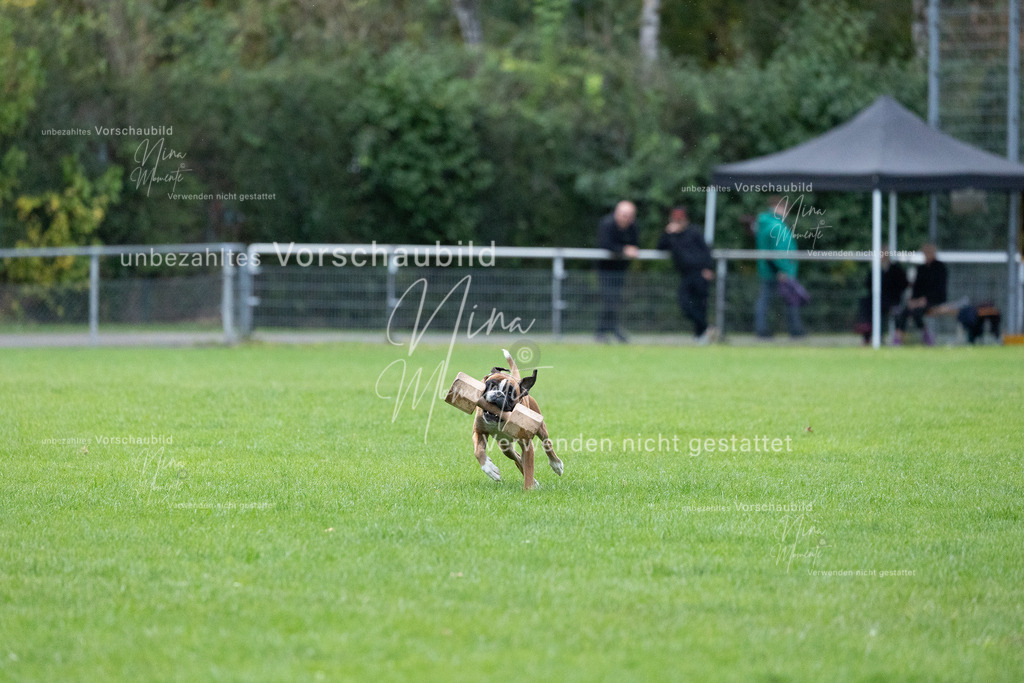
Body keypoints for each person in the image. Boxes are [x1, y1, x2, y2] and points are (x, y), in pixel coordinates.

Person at [657, 206, 716, 343]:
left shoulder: (694, 232)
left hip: (700, 274)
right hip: (685, 275)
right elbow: (660, 246)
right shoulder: (671, 235)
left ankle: (700, 336)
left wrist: (708, 268)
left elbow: (706, 251)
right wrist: (669, 233)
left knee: (700, 306)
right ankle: (706, 328)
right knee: (685, 305)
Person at [752, 196, 804, 338]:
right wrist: (783, 270)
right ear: (777, 208)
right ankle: (795, 330)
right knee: (789, 300)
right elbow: (779, 250)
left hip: (769, 269)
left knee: (765, 300)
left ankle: (763, 329)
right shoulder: (776, 226)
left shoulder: (765, 223)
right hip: (779, 271)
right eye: (784, 209)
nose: (786, 212)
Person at [595, 200, 639, 343]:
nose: (626, 219)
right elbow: (605, 244)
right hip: (605, 269)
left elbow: (635, 244)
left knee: (615, 300)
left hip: (620, 269)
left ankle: (607, 330)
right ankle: (606, 330)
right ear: (617, 213)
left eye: (629, 216)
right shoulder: (607, 224)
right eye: (624, 215)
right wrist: (624, 249)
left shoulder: (633, 227)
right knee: (610, 299)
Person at [894, 243, 947, 346]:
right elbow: (917, 288)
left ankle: (926, 335)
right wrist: (913, 300)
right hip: (919, 301)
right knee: (904, 311)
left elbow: (939, 289)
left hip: (934, 300)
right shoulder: (921, 268)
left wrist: (925, 300)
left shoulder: (940, 268)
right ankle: (898, 337)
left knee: (917, 311)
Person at [854, 252, 908, 344]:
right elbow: (868, 284)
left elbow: (903, 284)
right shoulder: (875, 269)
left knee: (899, 311)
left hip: (892, 300)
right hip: (876, 300)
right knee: (865, 303)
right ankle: (866, 333)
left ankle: (897, 338)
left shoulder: (896, 269)